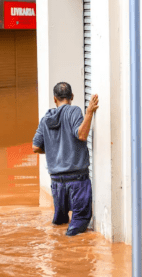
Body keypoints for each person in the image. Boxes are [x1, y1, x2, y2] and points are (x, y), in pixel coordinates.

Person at [32, 82, 99, 236]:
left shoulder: (45, 119)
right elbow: (82, 135)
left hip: (56, 183)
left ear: (55, 99)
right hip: (77, 180)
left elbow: (35, 147)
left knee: (60, 223)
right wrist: (89, 113)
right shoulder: (74, 111)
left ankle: (58, 251)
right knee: (77, 226)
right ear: (72, 97)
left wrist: (52, 150)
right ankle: (69, 254)